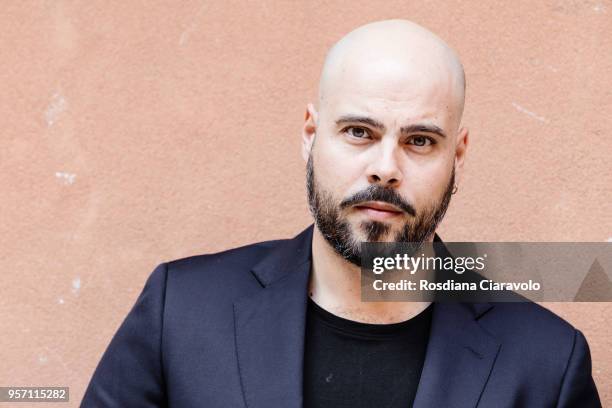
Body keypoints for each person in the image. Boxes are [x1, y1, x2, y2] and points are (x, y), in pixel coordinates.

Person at [81, 19, 601, 407]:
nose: (385, 168)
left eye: (420, 141)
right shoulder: (183, 312)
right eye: (359, 132)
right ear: (310, 135)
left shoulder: (546, 362)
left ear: (457, 156)